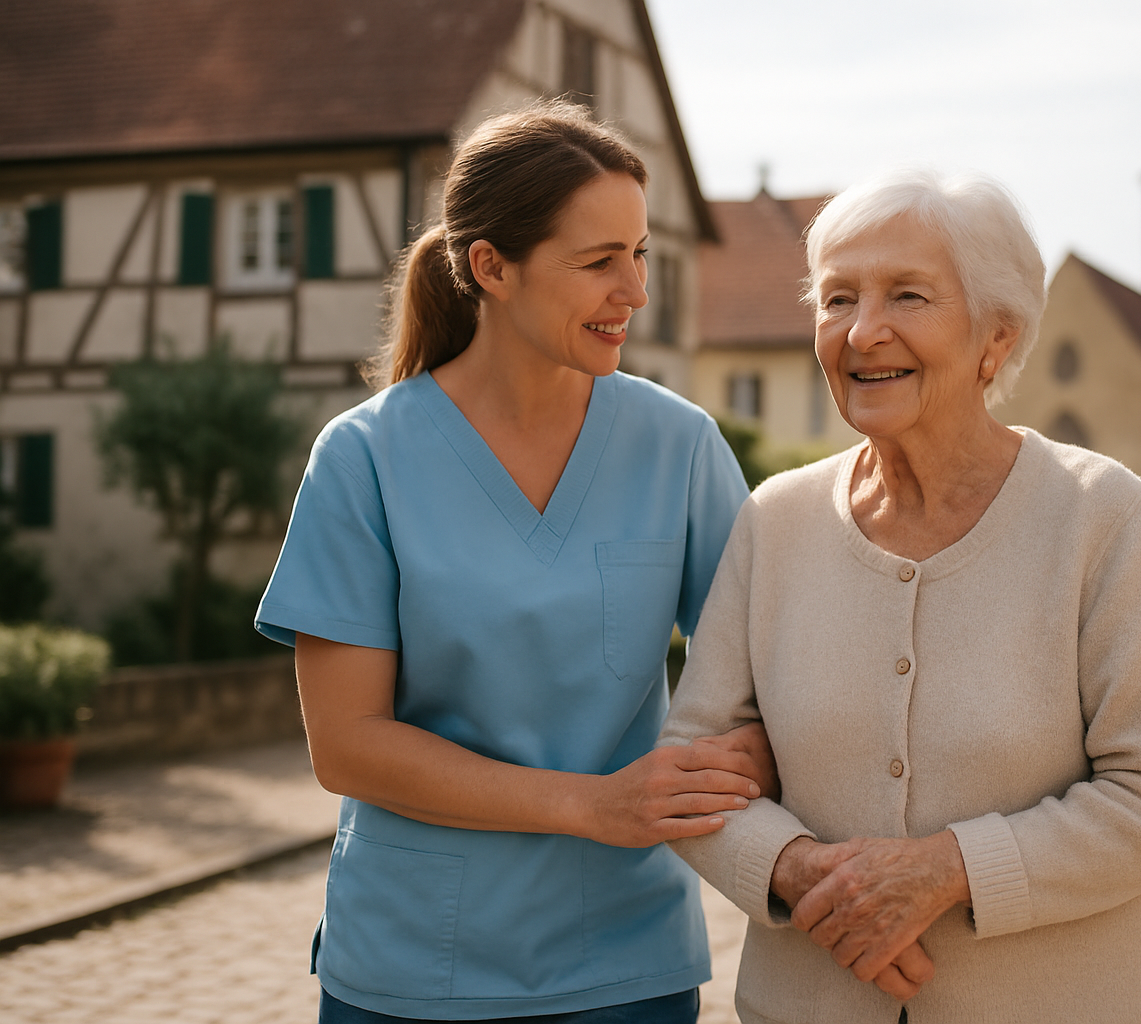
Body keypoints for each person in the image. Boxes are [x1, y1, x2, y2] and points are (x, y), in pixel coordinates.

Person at [659, 169, 1141, 1024]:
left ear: (996, 338)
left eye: (908, 297)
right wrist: (802, 871)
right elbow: (692, 777)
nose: (863, 331)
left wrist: (945, 872)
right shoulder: (775, 521)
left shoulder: (1098, 513)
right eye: (838, 298)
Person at [255, 101, 772, 1024]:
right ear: (491, 267)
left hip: (628, 961)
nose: (636, 291)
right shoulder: (365, 457)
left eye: (640, 254)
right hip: (414, 966)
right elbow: (346, 743)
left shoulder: (680, 448)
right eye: (598, 262)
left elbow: (769, 683)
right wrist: (593, 806)